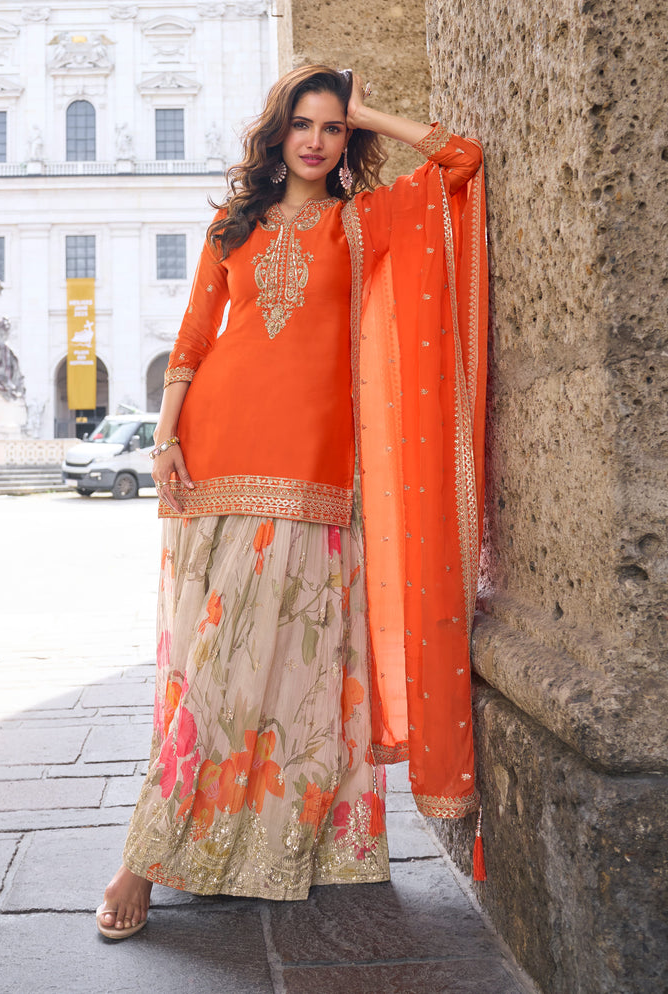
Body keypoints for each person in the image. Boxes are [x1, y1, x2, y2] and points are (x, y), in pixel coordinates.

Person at [97, 65, 488, 937]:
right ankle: (145, 860)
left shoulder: (362, 223)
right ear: (277, 134)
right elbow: (195, 339)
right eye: (304, 123)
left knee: (298, 671)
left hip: (316, 472)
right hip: (215, 453)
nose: (316, 139)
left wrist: (370, 110)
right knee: (208, 668)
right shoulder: (233, 226)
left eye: (332, 127)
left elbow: (460, 163)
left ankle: (283, 839)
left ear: (346, 139)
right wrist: (164, 442)